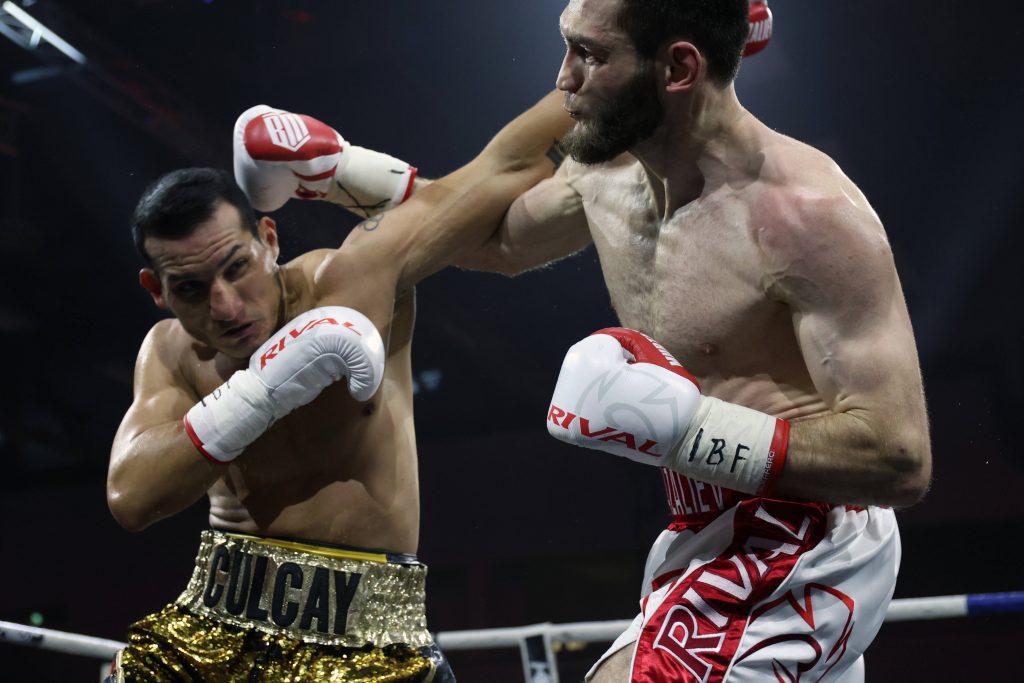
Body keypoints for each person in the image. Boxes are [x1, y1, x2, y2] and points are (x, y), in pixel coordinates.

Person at [457, 1, 932, 680]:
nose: (561, 80)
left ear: (679, 66)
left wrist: (687, 431)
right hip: (699, 527)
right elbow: (493, 240)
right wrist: (343, 174)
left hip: (809, 532)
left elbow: (900, 458)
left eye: (590, 54)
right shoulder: (604, 177)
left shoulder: (806, 215)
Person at [105, 91, 571, 682]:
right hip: (213, 625)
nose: (225, 305)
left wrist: (623, 49)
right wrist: (266, 386)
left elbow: (503, 169)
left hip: (367, 636)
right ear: (157, 290)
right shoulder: (169, 351)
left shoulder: (349, 279)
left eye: (236, 267)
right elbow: (131, 497)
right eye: (191, 289)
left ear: (269, 241)